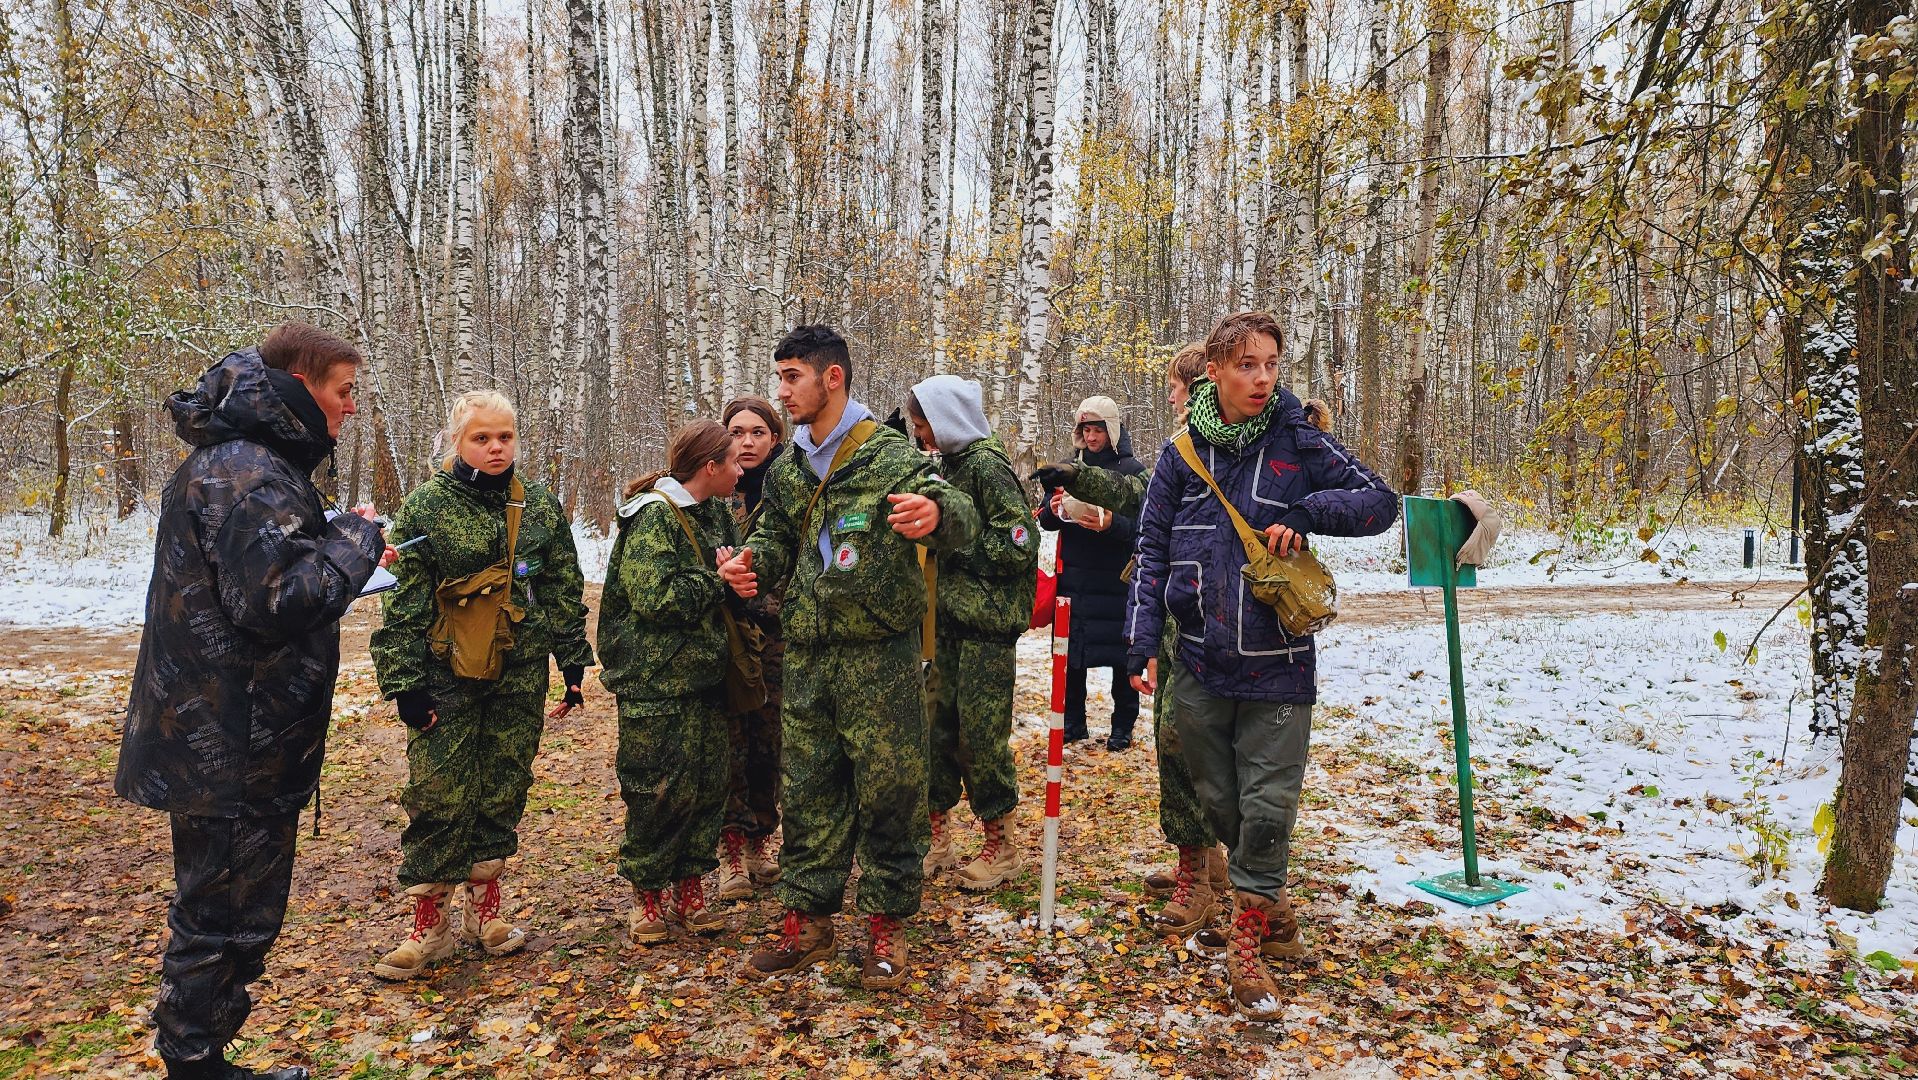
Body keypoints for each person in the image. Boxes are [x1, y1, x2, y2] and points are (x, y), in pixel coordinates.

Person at [116, 324, 393, 1080]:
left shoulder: (247, 464)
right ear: (302, 386)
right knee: (223, 919)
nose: (351, 409)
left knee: (226, 915)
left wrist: (335, 536)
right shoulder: (249, 474)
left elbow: (260, 580)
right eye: (343, 392)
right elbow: (279, 601)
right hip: (231, 745)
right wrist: (355, 544)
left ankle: (200, 1059)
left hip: (236, 737)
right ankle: (195, 1065)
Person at [1126, 310, 1397, 1020]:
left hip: (1279, 667)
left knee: (1268, 807)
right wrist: (1138, 642)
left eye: (1271, 363)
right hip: (1200, 664)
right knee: (1223, 803)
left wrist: (1307, 513)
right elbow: (1152, 553)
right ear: (1212, 371)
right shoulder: (1179, 455)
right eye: (1247, 364)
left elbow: (1380, 502)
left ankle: (1246, 948)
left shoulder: (1294, 437)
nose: (1263, 377)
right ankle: (1265, 901)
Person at [717, 325, 979, 990]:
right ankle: (807, 925)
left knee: (889, 792)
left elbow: (956, 509)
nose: (783, 391)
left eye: (792, 377)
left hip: (877, 659)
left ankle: (887, 928)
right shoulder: (786, 468)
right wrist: (753, 566)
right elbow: (775, 536)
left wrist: (935, 514)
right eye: (779, 377)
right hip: (807, 655)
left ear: (833, 378)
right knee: (807, 791)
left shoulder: (889, 455)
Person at [369, 390, 595, 980]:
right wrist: (405, 686)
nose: (496, 449)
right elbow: (403, 603)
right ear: (456, 441)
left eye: (505, 437)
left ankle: (485, 910)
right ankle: (430, 923)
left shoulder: (539, 506)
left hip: (519, 672)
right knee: (440, 792)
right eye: (481, 438)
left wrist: (572, 663)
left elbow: (562, 588)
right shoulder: (427, 507)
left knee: (502, 785)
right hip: (445, 673)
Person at [1035, 345, 1226, 938]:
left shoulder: (1211, 456)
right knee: (1183, 740)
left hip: (1203, 618)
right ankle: (1204, 863)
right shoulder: (1187, 451)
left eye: (1177, 389)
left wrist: (1098, 511)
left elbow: (1143, 510)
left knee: (1185, 743)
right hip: (1168, 611)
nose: (1170, 399)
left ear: (1199, 391)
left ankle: (1203, 871)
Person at [599, 420, 745, 944]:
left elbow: (727, 581)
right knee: (656, 789)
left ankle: (690, 887)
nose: (740, 468)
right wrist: (718, 582)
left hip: (703, 678)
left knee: (706, 786)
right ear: (711, 466)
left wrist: (737, 579)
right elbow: (655, 598)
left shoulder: (716, 516)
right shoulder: (654, 517)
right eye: (733, 461)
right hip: (655, 681)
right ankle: (648, 895)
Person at [906, 376, 1038, 892]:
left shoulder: (985, 464)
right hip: (947, 627)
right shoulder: (951, 465)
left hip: (983, 628)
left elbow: (1019, 543)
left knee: (980, 740)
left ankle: (999, 846)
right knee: (937, 733)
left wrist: (954, 545)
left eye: (924, 425)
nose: (920, 436)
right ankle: (938, 839)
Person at [1036, 396, 1146, 750]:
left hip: (1118, 579)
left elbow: (1143, 527)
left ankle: (1123, 726)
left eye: (1098, 429)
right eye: (1086, 429)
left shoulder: (1133, 471)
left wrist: (1111, 523)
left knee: (1122, 657)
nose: (1092, 436)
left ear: (1112, 430)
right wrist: (1054, 510)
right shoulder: (1067, 468)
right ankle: (1073, 723)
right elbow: (1047, 520)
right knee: (1072, 654)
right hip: (1077, 578)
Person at [714, 396, 789, 900]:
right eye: (737, 432)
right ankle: (730, 850)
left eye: (758, 432)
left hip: (779, 638)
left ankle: (761, 839)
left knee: (769, 742)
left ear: (775, 439)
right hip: (728, 635)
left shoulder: (790, 491)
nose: (747, 442)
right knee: (728, 744)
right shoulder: (714, 493)